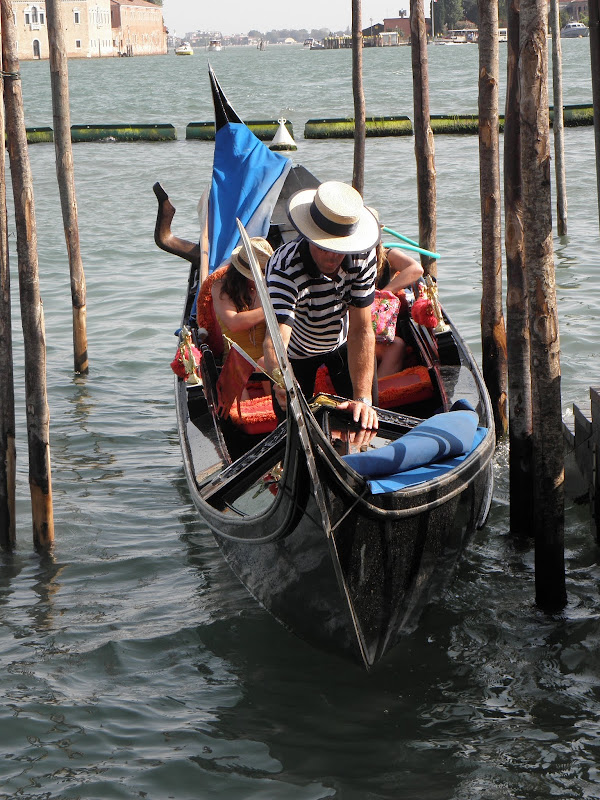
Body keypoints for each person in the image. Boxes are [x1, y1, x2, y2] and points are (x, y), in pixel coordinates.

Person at [263, 180, 380, 432]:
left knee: (366, 417)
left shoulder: (363, 255)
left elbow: (361, 328)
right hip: (295, 354)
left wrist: (363, 399)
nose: (332, 256)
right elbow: (276, 340)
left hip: (343, 344)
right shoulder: (285, 267)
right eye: (325, 246)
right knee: (290, 429)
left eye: (339, 249)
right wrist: (281, 378)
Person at [211, 237, 273, 399]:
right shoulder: (219, 288)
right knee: (236, 370)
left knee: (264, 362)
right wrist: (272, 309)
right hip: (235, 363)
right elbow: (234, 323)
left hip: (265, 361)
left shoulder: (270, 286)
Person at [374, 243, 423, 378]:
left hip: (379, 329)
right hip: (350, 329)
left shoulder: (386, 255)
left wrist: (383, 294)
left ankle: (378, 393)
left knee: (397, 346)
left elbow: (416, 269)